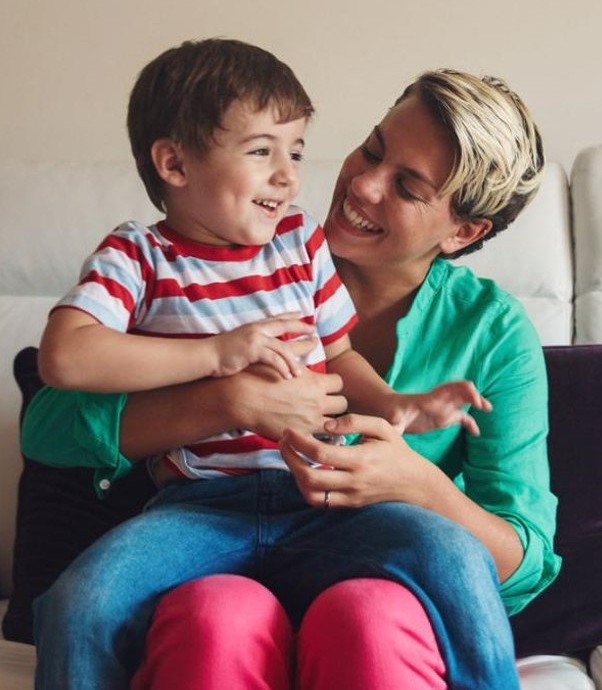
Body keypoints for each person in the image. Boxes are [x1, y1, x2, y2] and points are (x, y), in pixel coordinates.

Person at [23, 62, 560, 690]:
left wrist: (417, 479)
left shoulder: (489, 331)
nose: (362, 184)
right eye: (372, 149)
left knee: (441, 568)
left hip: (358, 552)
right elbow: (50, 425)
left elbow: (525, 561)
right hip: (204, 520)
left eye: (408, 187)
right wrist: (227, 398)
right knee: (109, 602)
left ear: (463, 231)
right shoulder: (215, 246)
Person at [36, 38, 488, 485]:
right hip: (200, 499)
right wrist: (215, 355)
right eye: (260, 151)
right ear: (174, 164)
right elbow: (66, 358)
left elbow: (339, 358)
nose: (288, 175)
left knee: (435, 548)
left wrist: (392, 404)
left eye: (295, 152)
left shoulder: (299, 240)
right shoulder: (138, 257)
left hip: (312, 490)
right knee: (106, 564)